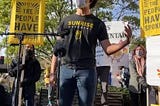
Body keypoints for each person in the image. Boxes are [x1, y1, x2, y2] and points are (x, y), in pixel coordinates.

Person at [50, 0, 132, 106]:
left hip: (87, 71)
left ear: (90, 1)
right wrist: (52, 72)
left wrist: (126, 42)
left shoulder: (98, 23)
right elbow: (57, 50)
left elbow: (108, 49)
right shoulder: (65, 20)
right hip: (65, 69)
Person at [95, 40, 111, 105]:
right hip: (94, 65)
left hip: (105, 65)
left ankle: (104, 102)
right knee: (93, 85)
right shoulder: (92, 38)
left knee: (104, 86)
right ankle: (92, 102)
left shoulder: (105, 39)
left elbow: (111, 49)